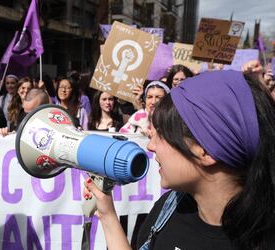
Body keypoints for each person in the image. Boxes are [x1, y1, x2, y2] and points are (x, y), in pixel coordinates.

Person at [83, 70, 275, 249]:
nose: (151, 146)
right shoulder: (168, 210)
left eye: (163, 134)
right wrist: (106, 212)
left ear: (206, 150)